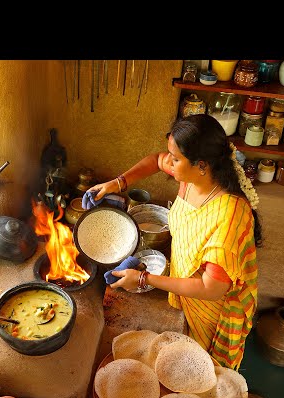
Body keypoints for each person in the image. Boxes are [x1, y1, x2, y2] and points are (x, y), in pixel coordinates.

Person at [84, 114, 263, 370]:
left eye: (176, 158)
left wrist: (144, 280)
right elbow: (156, 161)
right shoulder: (194, 176)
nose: (169, 161)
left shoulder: (227, 217)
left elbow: (211, 289)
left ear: (202, 165)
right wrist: (117, 183)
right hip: (187, 286)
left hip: (211, 308)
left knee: (200, 368)